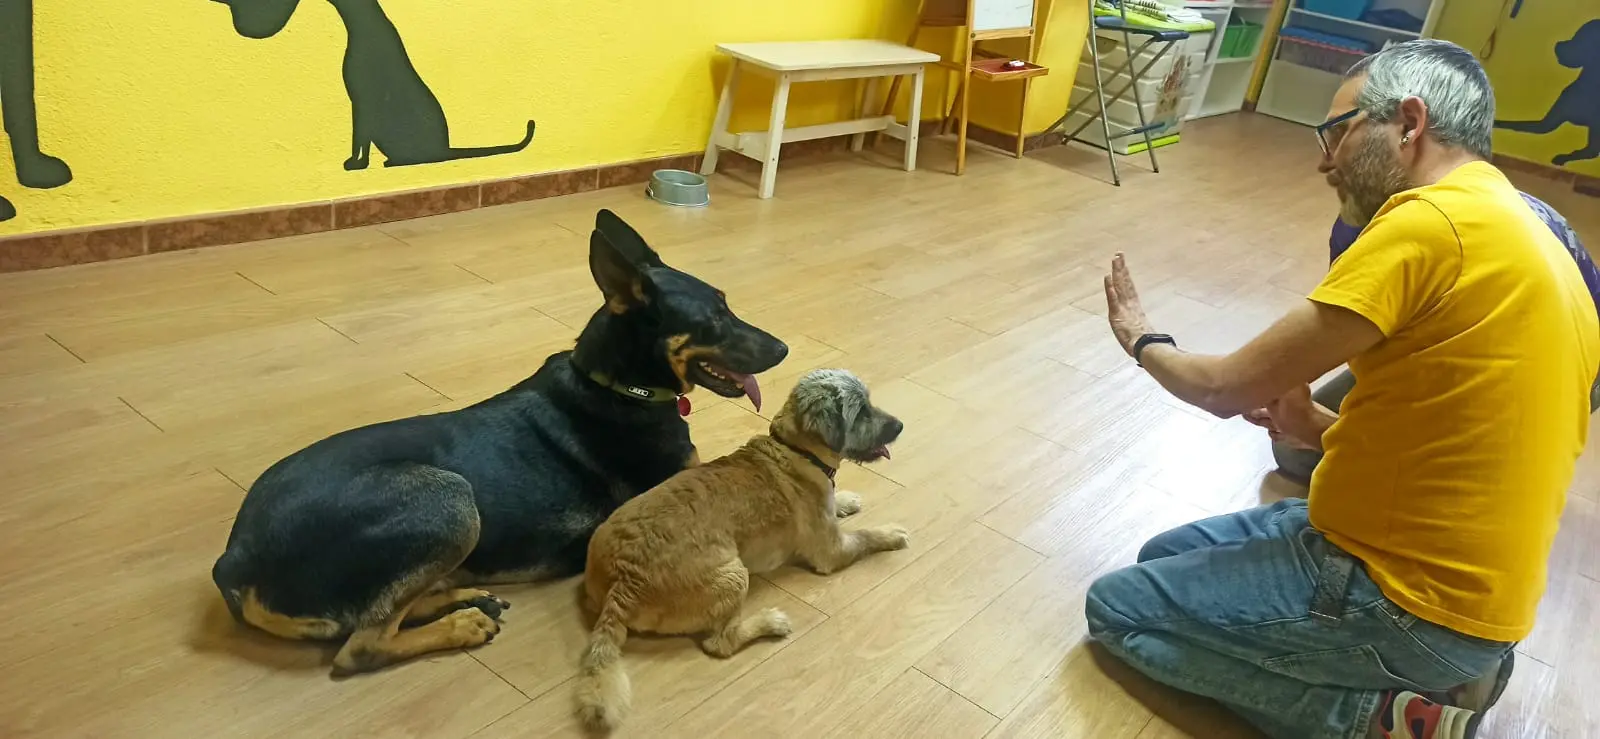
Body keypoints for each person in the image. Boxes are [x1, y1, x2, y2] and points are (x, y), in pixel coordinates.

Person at [1084, 39, 1598, 739]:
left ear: (1409, 123)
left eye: (1338, 130)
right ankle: (1441, 675)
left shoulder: (1431, 222)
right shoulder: (1527, 232)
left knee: (1119, 608)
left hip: (1409, 600)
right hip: (1470, 598)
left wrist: (1143, 339)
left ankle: (1382, 719)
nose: (1325, 160)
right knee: (1162, 557)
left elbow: (1223, 389)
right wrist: (1310, 425)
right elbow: (1451, 454)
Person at [1274, 187, 1600, 483]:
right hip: (1509, 341)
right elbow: (1351, 327)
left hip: (1557, 372)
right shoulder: (1367, 218)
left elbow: (1425, 453)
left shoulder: (1463, 268)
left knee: (1312, 454)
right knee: (1296, 445)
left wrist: (1314, 424)